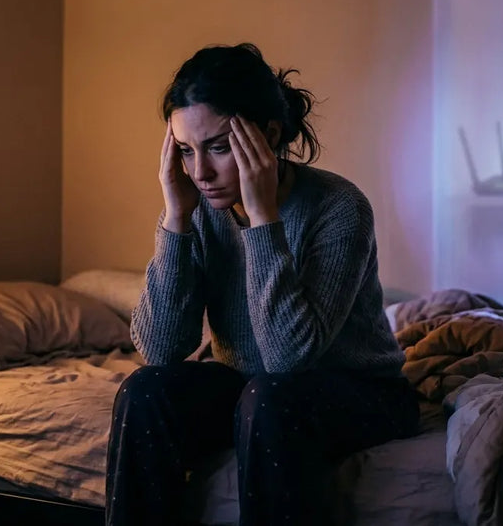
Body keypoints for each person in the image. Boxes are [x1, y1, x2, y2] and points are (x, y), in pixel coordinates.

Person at [105, 43, 419, 526]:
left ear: (269, 135)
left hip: (360, 392)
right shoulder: (199, 206)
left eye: (217, 147)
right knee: (144, 391)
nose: (201, 173)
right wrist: (175, 217)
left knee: (270, 398)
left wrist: (262, 219)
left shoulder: (339, 209)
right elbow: (163, 349)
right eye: (186, 152)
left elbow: (287, 359)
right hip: (252, 388)